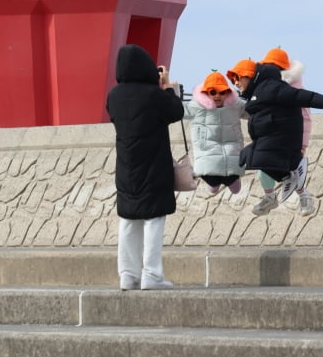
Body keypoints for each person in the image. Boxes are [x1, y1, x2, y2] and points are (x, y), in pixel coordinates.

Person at [106, 44, 184, 290]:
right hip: (154, 165)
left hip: (126, 167)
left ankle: (127, 275)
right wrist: (168, 86)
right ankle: (152, 275)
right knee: (154, 218)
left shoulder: (114, 96)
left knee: (129, 220)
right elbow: (176, 112)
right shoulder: (154, 95)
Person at [233, 55, 323, 217]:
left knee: (265, 160)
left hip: (283, 140)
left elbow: (304, 108)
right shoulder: (259, 90)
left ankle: (302, 196)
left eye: (238, 78)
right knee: (249, 158)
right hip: (268, 138)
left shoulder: (277, 87)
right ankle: (273, 194)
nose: (236, 82)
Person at [253, 48, 319, 217]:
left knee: (293, 170)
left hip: (290, 139)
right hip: (269, 137)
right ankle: (269, 196)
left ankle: (304, 197)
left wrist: (303, 144)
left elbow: (305, 117)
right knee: (263, 167)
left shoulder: (295, 91)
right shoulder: (263, 88)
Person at [183, 70, 247, 195]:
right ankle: (214, 184)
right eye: (213, 92)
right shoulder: (196, 106)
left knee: (235, 188)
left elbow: (252, 110)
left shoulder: (236, 106)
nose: (217, 95)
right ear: (205, 93)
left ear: (228, 93)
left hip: (232, 154)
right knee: (212, 184)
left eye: (222, 92)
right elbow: (178, 110)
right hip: (207, 155)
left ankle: (227, 182)